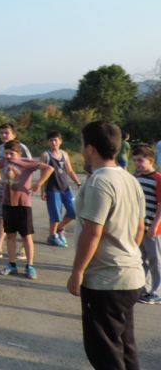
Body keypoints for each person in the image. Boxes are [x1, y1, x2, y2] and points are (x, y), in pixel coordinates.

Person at [67, 122, 145, 370]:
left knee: (105, 354)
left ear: (90, 149)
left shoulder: (99, 182)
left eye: (82, 145)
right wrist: (126, 254)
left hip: (105, 281)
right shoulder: (130, 179)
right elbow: (140, 228)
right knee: (125, 348)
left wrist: (77, 272)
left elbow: (93, 232)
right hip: (131, 275)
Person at [0, 140, 53, 279]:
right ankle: (11, 264)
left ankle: (30, 266)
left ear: (19, 153)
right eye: (6, 153)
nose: (8, 156)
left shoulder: (27, 162)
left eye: (11, 153)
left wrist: (38, 183)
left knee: (26, 236)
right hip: (8, 203)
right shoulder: (4, 161)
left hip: (23, 204)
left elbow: (49, 168)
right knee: (10, 235)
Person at [0, 123, 32, 260]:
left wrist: (25, 186)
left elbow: (30, 167)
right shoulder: (0, 148)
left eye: (7, 133)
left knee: (22, 220)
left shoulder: (22, 148)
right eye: (1, 133)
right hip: (4, 190)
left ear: (14, 135)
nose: (3, 135)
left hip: (20, 190)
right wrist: (0, 181)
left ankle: (23, 248)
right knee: (1, 217)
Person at [40, 131, 83, 247]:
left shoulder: (64, 154)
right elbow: (42, 174)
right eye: (51, 140)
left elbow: (69, 170)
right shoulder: (46, 155)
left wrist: (78, 182)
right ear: (48, 142)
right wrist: (42, 190)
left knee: (73, 212)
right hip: (52, 189)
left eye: (56, 140)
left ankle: (59, 228)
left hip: (65, 188)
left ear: (60, 141)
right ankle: (52, 236)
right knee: (55, 215)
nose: (53, 142)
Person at [132, 143, 161, 305]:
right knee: (140, 259)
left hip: (153, 228)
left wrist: (154, 226)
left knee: (156, 260)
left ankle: (157, 291)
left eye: (141, 160)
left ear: (150, 160)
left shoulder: (158, 179)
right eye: (135, 160)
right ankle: (143, 289)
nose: (137, 164)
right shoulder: (136, 177)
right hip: (139, 227)